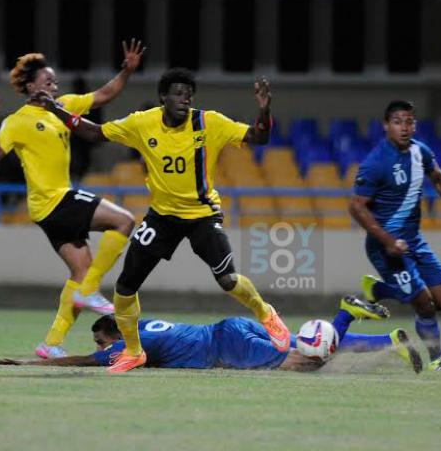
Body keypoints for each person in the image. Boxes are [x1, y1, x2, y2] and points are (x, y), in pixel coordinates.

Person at [32, 68, 289, 373]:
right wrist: (55, 108)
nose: (185, 100)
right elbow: (93, 132)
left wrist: (264, 108)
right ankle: (134, 351)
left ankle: (266, 314)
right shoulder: (143, 123)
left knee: (228, 280)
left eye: (188, 95)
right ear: (163, 97)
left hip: (201, 215)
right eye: (178, 94)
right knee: (125, 288)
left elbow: (259, 136)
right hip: (162, 217)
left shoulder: (210, 122)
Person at [0, 40, 146, 359]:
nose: (53, 84)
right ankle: (90, 290)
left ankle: (52, 343)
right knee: (124, 220)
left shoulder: (62, 106)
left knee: (80, 272)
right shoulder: (18, 121)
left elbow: (104, 95)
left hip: (50, 207)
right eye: (47, 80)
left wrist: (126, 71)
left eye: (54, 81)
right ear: (31, 85)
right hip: (55, 200)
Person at [348, 100, 441, 371]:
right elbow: (356, 207)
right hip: (385, 248)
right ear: (386, 126)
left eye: (409, 122)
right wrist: (388, 241)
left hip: (414, 240)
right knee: (425, 304)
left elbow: (439, 178)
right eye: (397, 122)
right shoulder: (376, 162)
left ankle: (378, 289)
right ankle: (438, 359)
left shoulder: (420, 152)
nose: (404, 128)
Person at [0, 295, 422, 374]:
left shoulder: (133, 343)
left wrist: (35, 362)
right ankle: (389, 343)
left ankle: (343, 317)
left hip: (228, 345)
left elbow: (86, 362)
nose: (102, 350)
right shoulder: (140, 324)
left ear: (112, 336)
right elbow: (118, 310)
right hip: (232, 329)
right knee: (302, 345)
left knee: (307, 362)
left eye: (102, 341)